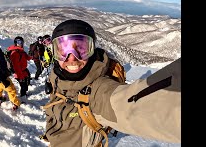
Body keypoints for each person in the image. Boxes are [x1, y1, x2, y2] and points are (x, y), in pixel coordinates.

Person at [41, 19, 180, 147]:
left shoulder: (98, 91)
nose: (71, 58)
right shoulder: (57, 77)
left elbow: (131, 106)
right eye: (63, 50)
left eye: (81, 49)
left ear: (92, 50)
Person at [7, 36, 32, 101]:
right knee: (23, 85)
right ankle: (23, 97)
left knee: (27, 81)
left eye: (21, 42)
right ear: (15, 43)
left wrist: (31, 57)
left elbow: (26, 57)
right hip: (19, 72)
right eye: (18, 42)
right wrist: (20, 76)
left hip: (24, 70)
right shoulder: (15, 53)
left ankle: (25, 92)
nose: (20, 43)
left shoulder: (21, 51)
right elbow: (16, 66)